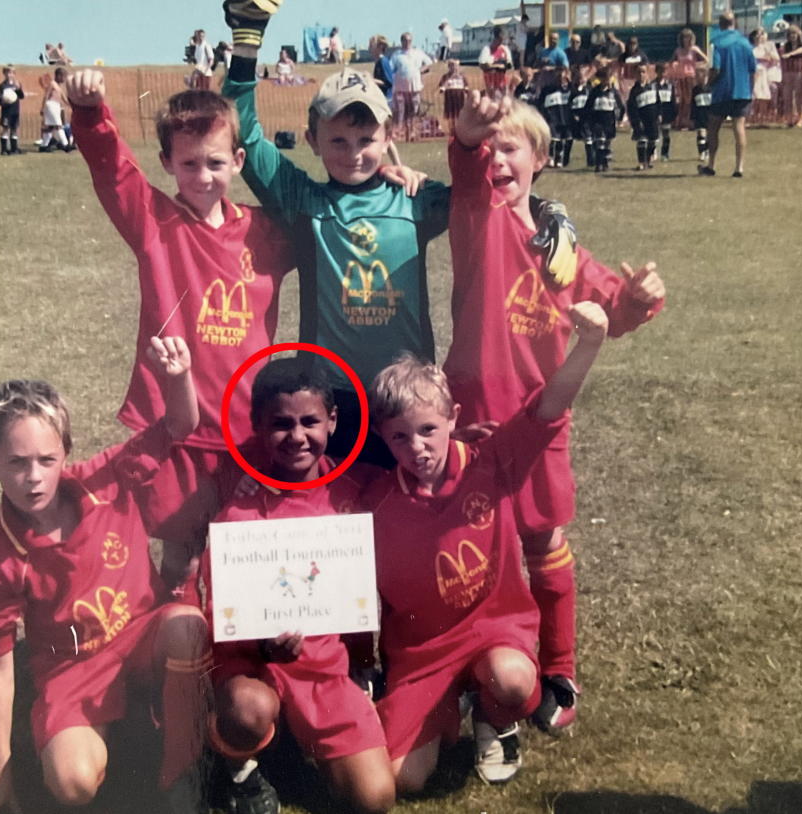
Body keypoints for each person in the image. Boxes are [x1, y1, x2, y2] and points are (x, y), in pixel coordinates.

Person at [441, 92, 663, 744]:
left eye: (511, 147)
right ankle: (466, 663)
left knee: (542, 539)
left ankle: (559, 671)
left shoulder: (559, 241)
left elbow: (611, 310)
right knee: (467, 542)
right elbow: (464, 169)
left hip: (541, 417)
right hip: (472, 416)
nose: (498, 158)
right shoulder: (475, 213)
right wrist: (467, 140)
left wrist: (640, 300)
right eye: (490, 149)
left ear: (540, 159)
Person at [66, 70, 296, 597]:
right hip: (178, 425)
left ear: (238, 162)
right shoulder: (154, 221)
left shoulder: (268, 232)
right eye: (188, 163)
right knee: (182, 552)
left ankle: (236, 660)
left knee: (247, 548)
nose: (203, 175)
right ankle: (176, 657)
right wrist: (89, 113)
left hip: (247, 424)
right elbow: (111, 168)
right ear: (167, 163)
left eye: (216, 162)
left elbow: (329, 226)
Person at [367, 302, 611, 791]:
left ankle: (495, 717)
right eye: (399, 437)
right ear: (382, 437)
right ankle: (451, 702)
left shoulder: (492, 461)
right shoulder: (374, 500)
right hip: (422, 654)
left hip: (494, 633)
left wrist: (588, 344)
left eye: (428, 430)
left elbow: (549, 406)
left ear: (453, 418)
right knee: (403, 781)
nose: (417, 448)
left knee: (513, 679)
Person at [0, 340, 210, 814]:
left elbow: (180, 423)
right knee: (72, 783)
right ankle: (118, 731)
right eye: (16, 463)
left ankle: (180, 775)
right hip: (71, 669)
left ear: (67, 454)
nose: (33, 477)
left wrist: (178, 376)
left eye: (46, 460)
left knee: (187, 626)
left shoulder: (108, 477)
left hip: (143, 638)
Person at [221, 0, 450, 469]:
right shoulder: (303, 201)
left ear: (389, 136)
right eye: (338, 140)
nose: (353, 154)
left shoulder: (414, 200)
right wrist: (247, 44)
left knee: (404, 518)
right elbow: (242, 130)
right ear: (312, 141)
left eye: (366, 140)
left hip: (405, 396)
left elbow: (490, 195)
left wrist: (550, 211)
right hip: (334, 398)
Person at [203, 358, 395, 814]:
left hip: (325, 669)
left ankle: (290, 745)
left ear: (332, 421)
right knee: (247, 708)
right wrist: (262, 644)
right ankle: (237, 764)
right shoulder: (240, 513)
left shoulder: (355, 489)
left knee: (375, 800)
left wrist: (468, 453)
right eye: (281, 425)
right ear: (258, 427)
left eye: (310, 421)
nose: (297, 437)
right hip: (257, 668)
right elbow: (221, 613)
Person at [701, 11, 757, 178]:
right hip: (742, 92)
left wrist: (708, 84)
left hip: (722, 92)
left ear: (720, 23)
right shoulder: (745, 42)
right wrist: (750, 89)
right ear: (735, 23)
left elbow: (716, 68)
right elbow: (753, 70)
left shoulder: (716, 42)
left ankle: (711, 165)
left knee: (713, 128)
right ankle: (739, 167)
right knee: (739, 128)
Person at [390, 31, 434, 134]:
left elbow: (429, 63)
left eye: (409, 40)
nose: (407, 42)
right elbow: (391, 67)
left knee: (414, 107)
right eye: (405, 40)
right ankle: (401, 130)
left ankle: (412, 130)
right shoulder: (397, 54)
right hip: (401, 86)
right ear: (401, 41)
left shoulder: (417, 52)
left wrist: (421, 70)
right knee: (401, 109)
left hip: (415, 85)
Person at [585, 66, 624, 172]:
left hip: (610, 120)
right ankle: (599, 164)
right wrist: (589, 119)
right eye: (604, 78)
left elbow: (621, 106)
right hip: (598, 119)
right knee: (599, 141)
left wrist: (620, 118)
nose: (606, 81)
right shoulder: (595, 91)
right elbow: (588, 106)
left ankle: (605, 163)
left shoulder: (613, 92)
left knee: (607, 142)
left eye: (608, 78)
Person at [672, 28, 708, 128]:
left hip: (691, 77)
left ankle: (688, 121)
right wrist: (675, 66)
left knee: (689, 100)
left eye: (688, 37)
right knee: (682, 100)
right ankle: (680, 121)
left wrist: (696, 66)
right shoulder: (678, 50)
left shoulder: (694, 49)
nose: (686, 39)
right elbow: (672, 61)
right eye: (684, 37)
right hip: (680, 77)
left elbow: (706, 59)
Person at [537, 66, 573, 167]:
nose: (561, 78)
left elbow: (575, 95)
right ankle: (551, 158)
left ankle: (561, 159)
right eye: (559, 76)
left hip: (565, 118)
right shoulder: (547, 90)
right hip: (552, 118)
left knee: (564, 140)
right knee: (553, 139)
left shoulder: (569, 89)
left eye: (563, 76)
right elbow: (540, 104)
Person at [628, 63, 660, 170]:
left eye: (643, 72)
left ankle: (648, 160)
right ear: (635, 75)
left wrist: (659, 114)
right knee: (642, 141)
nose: (641, 74)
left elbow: (658, 102)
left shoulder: (653, 87)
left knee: (652, 141)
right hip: (641, 120)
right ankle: (641, 162)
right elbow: (632, 108)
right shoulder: (634, 91)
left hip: (653, 120)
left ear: (647, 73)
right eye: (639, 72)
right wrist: (636, 121)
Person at [38, 67, 74, 152]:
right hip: (51, 105)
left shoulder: (59, 87)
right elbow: (46, 96)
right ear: (58, 76)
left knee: (50, 127)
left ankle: (44, 146)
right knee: (58, 126)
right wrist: (43, 108)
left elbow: (64, 99)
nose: (64, 79)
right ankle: (65, 145)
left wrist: (73, 106)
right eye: (63, 76)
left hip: (56, 106)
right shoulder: (52, 84)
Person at [780, 25, 802, 127]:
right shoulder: (785, 46)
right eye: (790, 34)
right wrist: (782, 74)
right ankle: (789, 119)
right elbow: (782, 60)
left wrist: (790, 54)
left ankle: (801, 117)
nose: (793, 36)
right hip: (788, 72)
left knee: (798, 96)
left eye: (794, 33)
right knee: (787, 96)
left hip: (799, 72)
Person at [750, 28, 779, 126]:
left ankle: (762, 117)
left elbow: (774, 59)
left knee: (763, 95)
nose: (759, 36)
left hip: (763, 72)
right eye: (757, 34)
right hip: (753, 72)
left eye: (761, 34)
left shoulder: (766, 47)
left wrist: (767, 55)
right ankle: (752, 117)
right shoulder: (751, 48)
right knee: (753, 95)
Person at [0, 65, 25, 156]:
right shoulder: (2, 86)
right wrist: (2, 101)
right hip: (6, 111)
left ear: (14, 74)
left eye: (12, 73)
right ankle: (4, 149)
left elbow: (21, 96)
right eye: (8, 72)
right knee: (5, 128)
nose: (10, 75)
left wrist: (19, 89)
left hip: (15, 111)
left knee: (14, 129)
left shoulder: (17, 84)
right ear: (4, 74)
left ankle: (14, 148)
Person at [568, 65, 593, 165]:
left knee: (588, 138)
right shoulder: (572, 90)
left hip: (586, 117)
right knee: (570, 138)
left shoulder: (590, 89)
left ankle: (591, 160)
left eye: (583, 77)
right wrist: (572, 115)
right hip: (575, 117)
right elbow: (568, 104)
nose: (581, 79)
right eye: (579, 77)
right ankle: (565, 160)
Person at [479, 27, 515, 94]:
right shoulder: (487, 49)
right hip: (490, 84)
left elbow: (510, 65)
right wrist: (497, 66)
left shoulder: (505, 49)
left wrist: (505, 65)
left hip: (502, 83)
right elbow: (482, 65)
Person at [652, 62, 676, 161]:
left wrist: (674, 113)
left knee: (666, 134)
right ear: (656, 72)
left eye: (664, 71)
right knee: (654, 133)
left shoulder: (670, 85)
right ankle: (653, 152)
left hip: (667, 112)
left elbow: (673, 100)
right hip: (655, 112)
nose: (662, 74)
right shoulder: (652, 85)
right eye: (660, 71)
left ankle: (665, 153)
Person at [438, 58, 469, 125]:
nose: (454, 68)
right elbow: (441, 85)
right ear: (449, 67)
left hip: (459, 95)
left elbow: (466, 85)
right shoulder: (445, 76)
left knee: (459, 112)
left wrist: (466, 91)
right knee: (450, 113)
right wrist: (442, 89)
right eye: (452, 66)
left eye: (455, 66)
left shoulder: (462, 76)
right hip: (449, 95)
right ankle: (452, 128)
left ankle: (459, 127)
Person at [691, 70, 712, 166]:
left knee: (709, 135)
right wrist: (692, 116)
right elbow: (692, 104)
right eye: (699, 77)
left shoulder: (711, 88)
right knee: (701, 133)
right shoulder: (695, 90)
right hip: (699, 115)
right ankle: (701, 152)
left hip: (709, 115)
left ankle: (707, 151)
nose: (702, 79)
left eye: (704, 77)